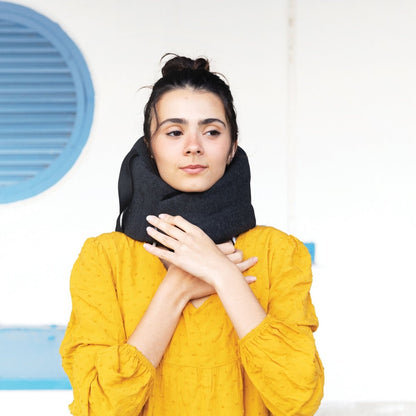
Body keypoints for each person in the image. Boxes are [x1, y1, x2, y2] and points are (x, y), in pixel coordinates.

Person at [60, 54, 324, 416]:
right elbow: (99, 408)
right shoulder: (104, 259)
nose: (193, 146)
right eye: (174, 131)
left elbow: (298, 398)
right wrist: (178, 286)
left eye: (212, 131)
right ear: (150, 148)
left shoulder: (279, 253)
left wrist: (223, 274)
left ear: (232, 147)